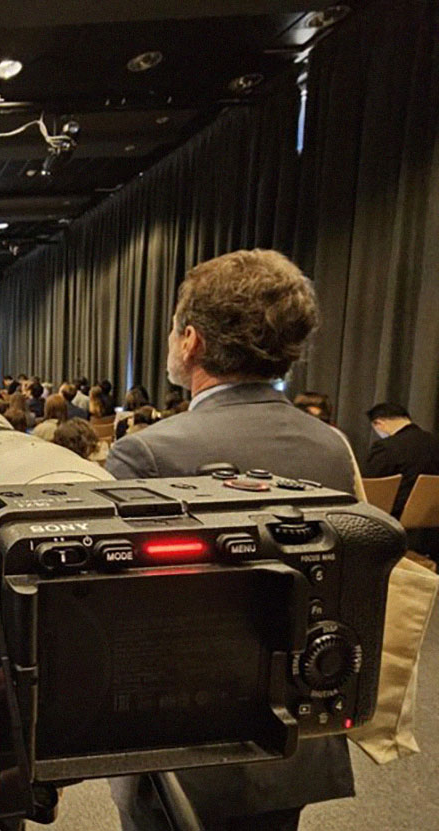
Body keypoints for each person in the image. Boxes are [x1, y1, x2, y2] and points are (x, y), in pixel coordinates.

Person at [105, 249, 358, 831]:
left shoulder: (147, 453)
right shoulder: (331, 446)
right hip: (295, 733)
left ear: (190, 341)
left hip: (177, 749)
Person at [363, 403, 439, 519]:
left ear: (379, 423)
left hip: (393, 518)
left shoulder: (386, 447)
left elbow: (369, 485)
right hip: (430, 517)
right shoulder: (433, 441)